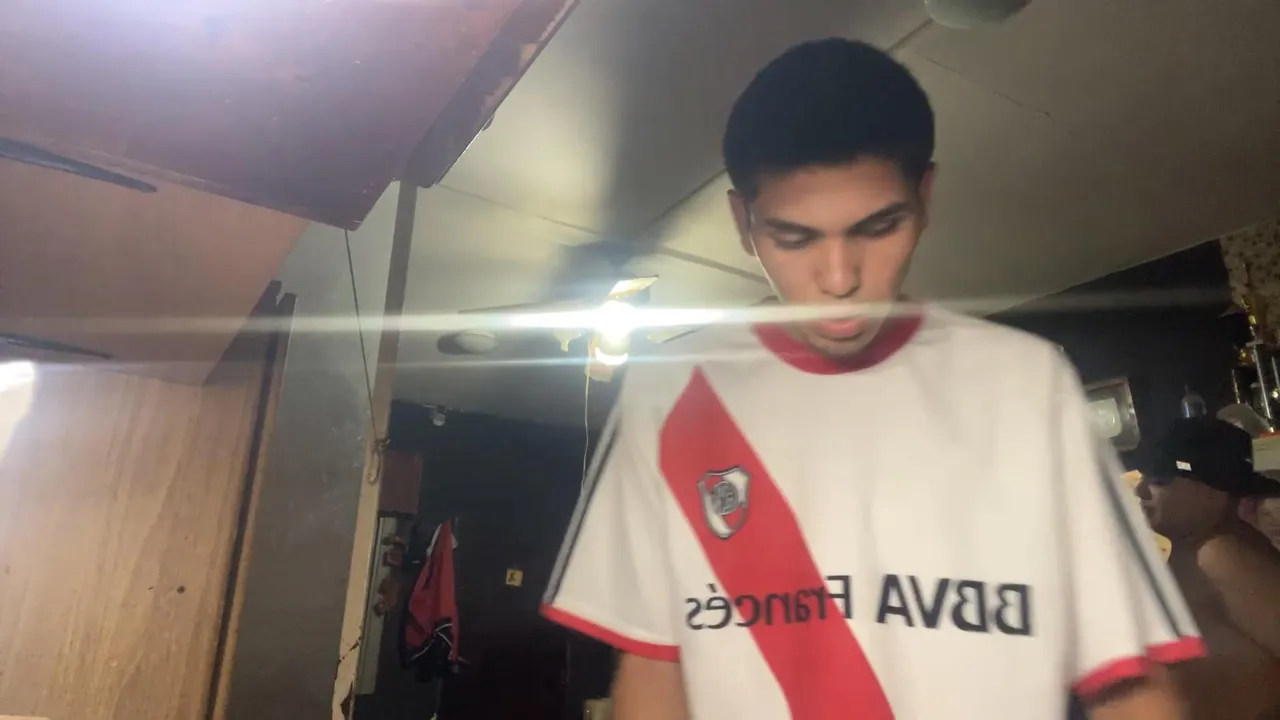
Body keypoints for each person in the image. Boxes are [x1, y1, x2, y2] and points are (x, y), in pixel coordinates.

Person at [541, 38, 1203, 719]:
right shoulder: (668, 395)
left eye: (878, 227)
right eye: (794, 237)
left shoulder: (1027, 386)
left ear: (925, 196)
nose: (839, 279)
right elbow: (655, 672)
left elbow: (1129, 683)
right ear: (743, 222)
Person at [1135, 417, 1280, 720]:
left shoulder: (1222, 557)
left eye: (1160, 478)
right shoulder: (1194, 553)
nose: (1141, 490)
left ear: (1214, 489)